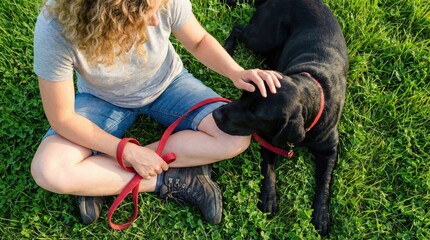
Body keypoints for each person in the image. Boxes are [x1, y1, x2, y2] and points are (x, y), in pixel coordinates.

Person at [31, 0, 282, 225]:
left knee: (234, 137)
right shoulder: (56, 29)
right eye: (145, 14)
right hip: (102, 99)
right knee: (48, 169)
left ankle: (98, 180)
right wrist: (125, 151)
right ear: (108, 17)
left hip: (170, 85)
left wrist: (236, 72)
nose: (155, 20)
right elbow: (62, 117)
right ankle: (169, 179)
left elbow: (198, 40)